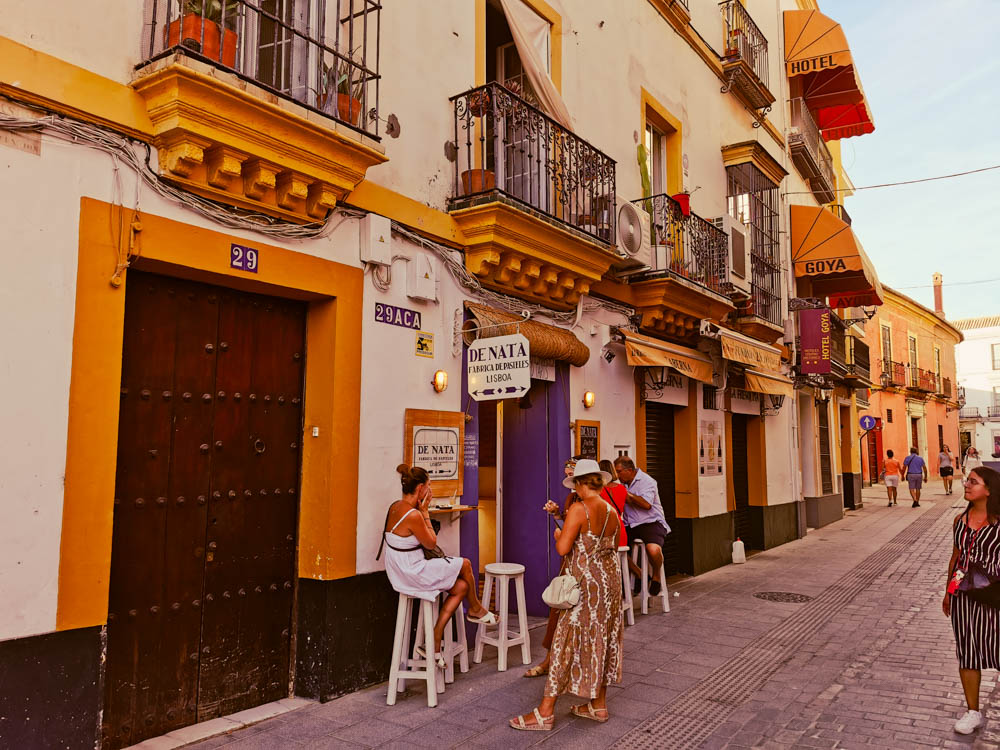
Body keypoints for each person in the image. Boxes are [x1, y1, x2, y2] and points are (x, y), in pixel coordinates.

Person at [510, 460, 623, 731]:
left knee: (565, 642)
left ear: (582, 483)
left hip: (584, 586)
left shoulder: (579, 509)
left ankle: (545, 712)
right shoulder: (610, 510)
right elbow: (610, 546)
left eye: (575, 483)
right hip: (609, 584)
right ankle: (598, 705)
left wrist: (559, 533)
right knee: (602, 640)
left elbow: (563, 548)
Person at [381, 464, 496, 668]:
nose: (430, 490)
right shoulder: (414, 515)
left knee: (461, 587)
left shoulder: (395, 506)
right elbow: (431, 543)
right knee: (466, 564)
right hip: (413, 572)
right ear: (420, 489)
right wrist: (424, 510)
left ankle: (434, 638)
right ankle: (476, 608)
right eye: (429, 486)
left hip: (400, 570)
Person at [942, 467, 1000, 735]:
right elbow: (957, 559)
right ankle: (972, 712)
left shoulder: (999, 523)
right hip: (964, 597)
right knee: (967, 651)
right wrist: (948, 592)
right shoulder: (959, 520)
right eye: (967, 481)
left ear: (988, 490)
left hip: (995, 597)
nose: (966, 485)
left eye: (973, 482)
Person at [614, 456, 670, 596]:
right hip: (630, 524)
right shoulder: (621, 483)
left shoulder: (647, 481)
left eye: (619, 471)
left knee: (653, 549)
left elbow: (646, 504)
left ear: (629, 470)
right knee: (614, 548)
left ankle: (656, 576)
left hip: (650, 522)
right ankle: (639, 573)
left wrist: (627, 495)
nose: (617, 475)